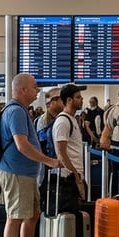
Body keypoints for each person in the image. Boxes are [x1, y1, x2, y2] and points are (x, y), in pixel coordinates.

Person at [0, 73, 61, 237]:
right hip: (16, 173)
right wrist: (48, 161)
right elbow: (21, 145)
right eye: (34, 87)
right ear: (23, 89)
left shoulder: (21, 111)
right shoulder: (15, 111)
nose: (38, 91)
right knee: (15, 217)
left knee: (31, 215)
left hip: (25, 173)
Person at [50, 83, 87, 211]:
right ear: (69, 100)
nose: (82, 100)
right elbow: (61, 153)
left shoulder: (72, 119)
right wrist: (75, 176)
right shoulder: (63, 122)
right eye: (78, 97)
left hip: (74, 175)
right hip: (67, 179)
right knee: (68, 215)